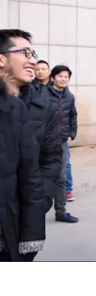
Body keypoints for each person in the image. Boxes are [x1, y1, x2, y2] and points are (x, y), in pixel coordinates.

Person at [0, 30, 62, 216]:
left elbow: (50, 158)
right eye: (25, 53)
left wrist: (40, 201)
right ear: (1, 59)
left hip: (23, 215)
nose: (33, 62)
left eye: (33, 54)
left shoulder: (43, 106)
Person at [0, 72, 45, 261]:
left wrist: (44, 201)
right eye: (26, 57)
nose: (31, 63)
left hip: (9, 224)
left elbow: (36, 169)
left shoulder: (17, 107)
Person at [43, 65, 79, 223]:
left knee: (61, 177)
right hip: (43, 142)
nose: (63, 79)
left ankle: (61, 212)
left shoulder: (69, 96)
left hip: (61, 142)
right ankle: (35, 213)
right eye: (60, 76)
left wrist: (72, 133)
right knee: (38, 177)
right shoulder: (43, 94)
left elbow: (73, 116)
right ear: (53, 77)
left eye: (66, 77)